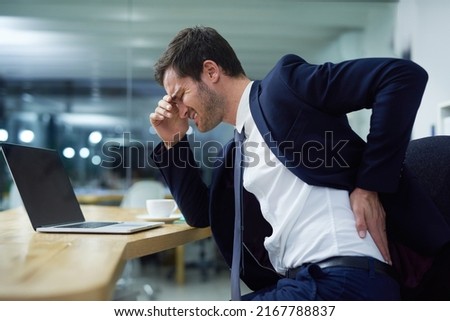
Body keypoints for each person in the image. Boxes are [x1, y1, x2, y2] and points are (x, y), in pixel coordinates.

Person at [149, 26, 450, 300]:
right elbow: (201, 214)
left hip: (342, 279)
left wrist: (369, 185)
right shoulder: (236, 153)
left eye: (180, 95)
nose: (179, 109)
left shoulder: (284, 87)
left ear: (211, 71)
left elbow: (400, 77)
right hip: (303, 283)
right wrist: (173, 141)